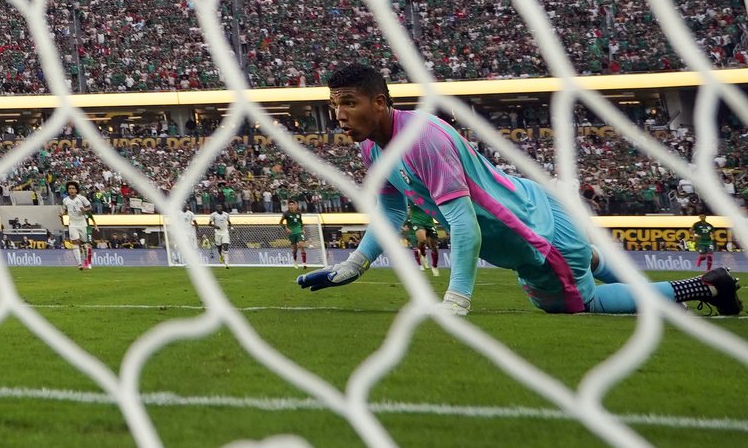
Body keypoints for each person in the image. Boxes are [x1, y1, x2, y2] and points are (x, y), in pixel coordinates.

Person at [298, 64, 742, 317]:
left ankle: (704, 286)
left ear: (380, 103)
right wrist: (352, 267)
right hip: (532, 211)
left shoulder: (422, 139)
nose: (338, 114)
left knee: (575, 304)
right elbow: (390, 211)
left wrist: (456, 300)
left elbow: (464, 225)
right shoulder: (376, 149)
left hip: (531, 233)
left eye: (348, 103)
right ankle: (596, 262)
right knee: (580, 263)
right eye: (334, 104)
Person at [61, 182, 94, 270]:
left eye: (73, 188)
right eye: (69, 189)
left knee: (84, 243)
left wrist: (85, 209)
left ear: (76, 190)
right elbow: (65, 210)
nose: (71, 190)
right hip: (72, 224)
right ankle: (79, 264)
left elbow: (90, 207)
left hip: (82, 223)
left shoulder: (81, 198)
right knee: (75, 243)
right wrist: (62, 214)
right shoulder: (65, 200)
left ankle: (86, 260)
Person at [408, 202, 441, 276]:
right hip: (417, 221)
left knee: (434, 246)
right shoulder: (410, 195)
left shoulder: (427, 195)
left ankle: (434, 266)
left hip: (429, 223)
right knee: (422, 239)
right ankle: (423, 254)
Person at [282, 199, 307, 268]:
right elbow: (280, 223)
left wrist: (303, 229)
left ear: (295, 206)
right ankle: (295, 261)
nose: (291, 206)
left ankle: (304, 263)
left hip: (299, 231)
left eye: (292, 204)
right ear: (288, 206)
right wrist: (286, 228)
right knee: (294, 249)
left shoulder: (298, 213)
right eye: (290, 205)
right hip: (291, 233)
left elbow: (301, 222)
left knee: (301, 245)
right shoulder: (286, 213)